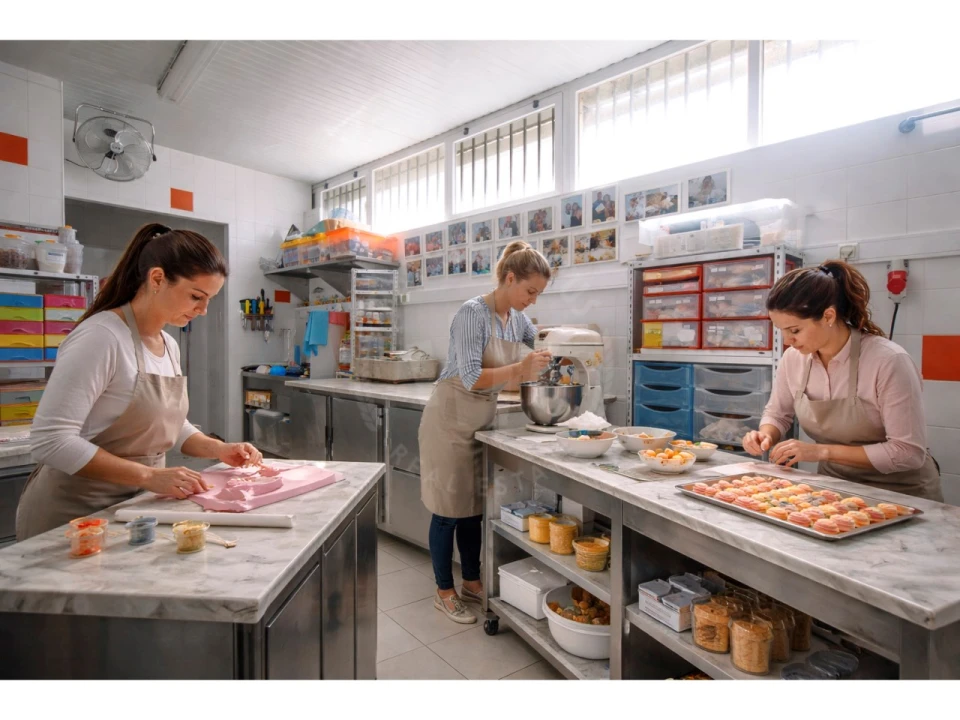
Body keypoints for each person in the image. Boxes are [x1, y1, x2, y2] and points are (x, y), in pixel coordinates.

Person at [17, 223, 263, 540]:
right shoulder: (102, 337)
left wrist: (220, 449)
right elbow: (51, 441)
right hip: (74, 515)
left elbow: (169, 425)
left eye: (209, 299)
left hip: (134, 509)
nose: (202, 310)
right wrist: (150, 475)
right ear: (157, 278)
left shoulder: (168, 346)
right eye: (196, 296)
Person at [420, 241, 553, 624]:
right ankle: (443, 590)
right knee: (448, 510)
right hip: (449, 418)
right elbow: (471, 376)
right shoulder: (472, 314)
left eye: (539, 294)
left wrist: (566, 347)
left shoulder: (517, 319)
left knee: (473, 510)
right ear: (509, 278)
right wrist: (518, 371)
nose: (533, 300)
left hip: (481, 421)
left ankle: (472, 581)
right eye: (530, 291)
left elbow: (540, 343)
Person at [744, 261, 942, 501]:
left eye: (795, 331)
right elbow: (778, 413)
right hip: (835, 490)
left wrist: (821, 451)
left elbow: (907, 453)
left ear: (828, 315)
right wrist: (766, 434)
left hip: (901, 493)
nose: (787, 341)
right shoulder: (793, 359)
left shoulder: (888, 360)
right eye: (781, 331)